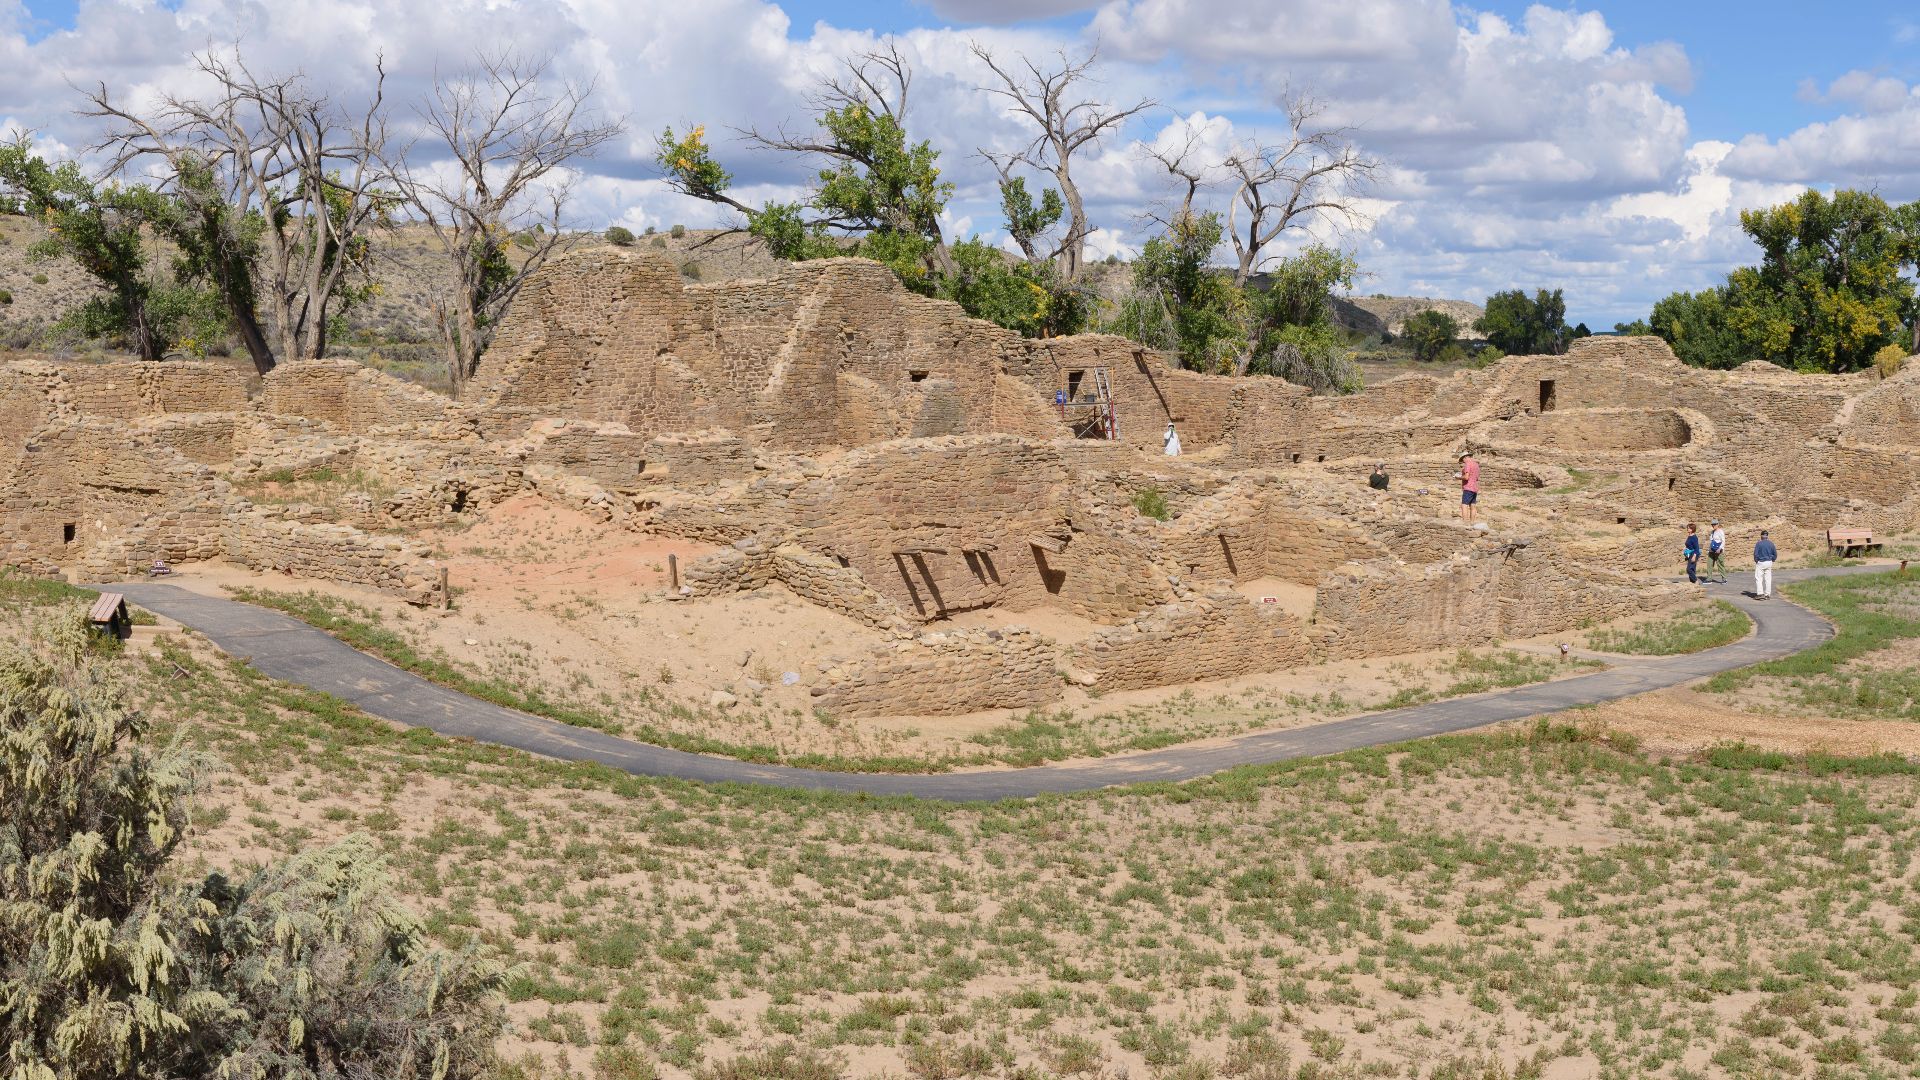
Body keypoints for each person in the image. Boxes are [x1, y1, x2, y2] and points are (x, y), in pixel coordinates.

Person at [1753, 529, 1778, 599]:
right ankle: (1767, 594)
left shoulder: (1759, 543)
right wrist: (1773, 559)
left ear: (1761, 536)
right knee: (1768, 579)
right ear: (1767, 536)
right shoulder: (1771, 543)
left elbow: (1755, 554)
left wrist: (1756, 561)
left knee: (1759, 578)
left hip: (1761, 562)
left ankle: (1760, 593)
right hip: (1769, 562)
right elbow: (1775, 554)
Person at [1456, 452, 1480, 524]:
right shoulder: (1476, 464)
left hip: (1468, 487)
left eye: (1463, 459)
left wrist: (1458, 477)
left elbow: (1466, 477)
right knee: (1473, 505)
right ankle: (1472, 522)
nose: (1463, 461)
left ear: (1465, 457)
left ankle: (1465, 522)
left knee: (1464, 505)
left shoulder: (1468, 464)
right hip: (1475, 487)